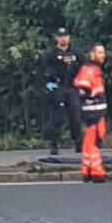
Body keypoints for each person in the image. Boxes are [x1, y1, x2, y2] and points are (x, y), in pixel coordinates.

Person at [39, 27, 83, 155]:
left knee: (75, 115)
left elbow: (85, 68)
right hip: (58, 87)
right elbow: (41, 71)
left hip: (72, 87)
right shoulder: (51, 54)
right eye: (60, 36)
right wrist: (47, 84)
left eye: (66, 36)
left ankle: (78, 142)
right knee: (56, 117)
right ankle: (54, 144)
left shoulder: (75, 53)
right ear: (56, 38)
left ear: (69, 38)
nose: (63, 39)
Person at [72, 44, 111, 184]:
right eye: (100, 53)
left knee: (89, 142)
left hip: (93, 110)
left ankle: (87, 170)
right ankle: (97, 172)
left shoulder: (92, 68)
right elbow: (82, 84)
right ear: (92, 54)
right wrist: (91, 94)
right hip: (93, 111)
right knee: (94, 142)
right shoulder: (90, 69)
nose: (103, 55)